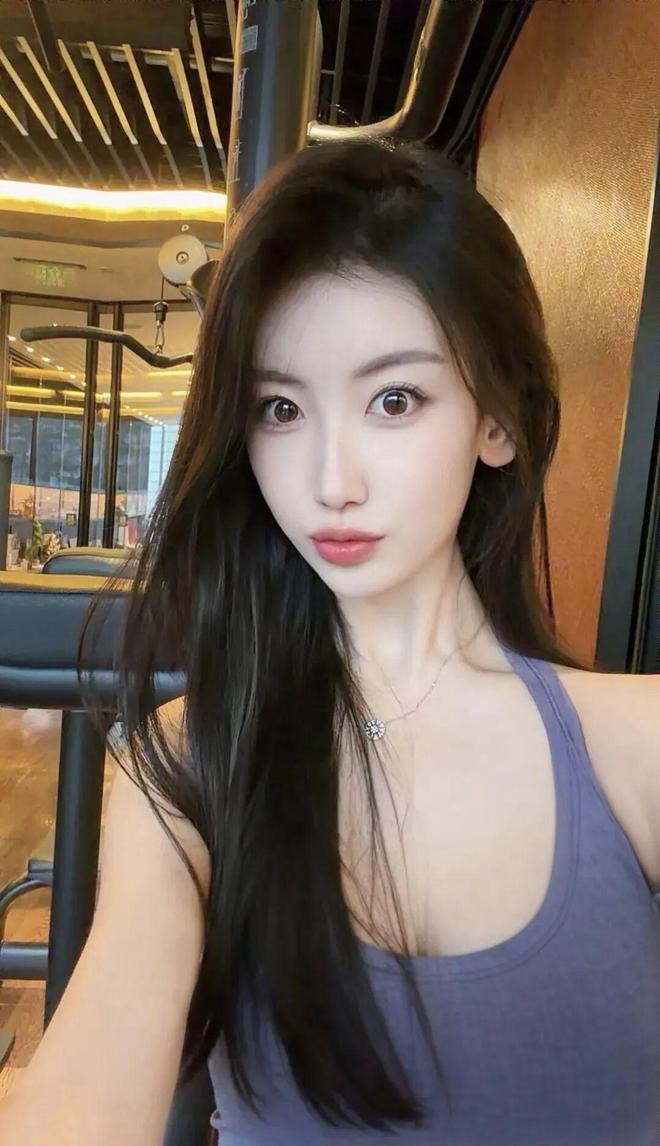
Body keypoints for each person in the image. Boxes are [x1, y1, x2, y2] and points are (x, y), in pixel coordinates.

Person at [1, 137, 659, 1146]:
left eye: (394, 400)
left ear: (496, 420)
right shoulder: (190, 762)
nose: (329, 480)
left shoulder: (635, 746)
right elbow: (84, 1101)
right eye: (280, 409)